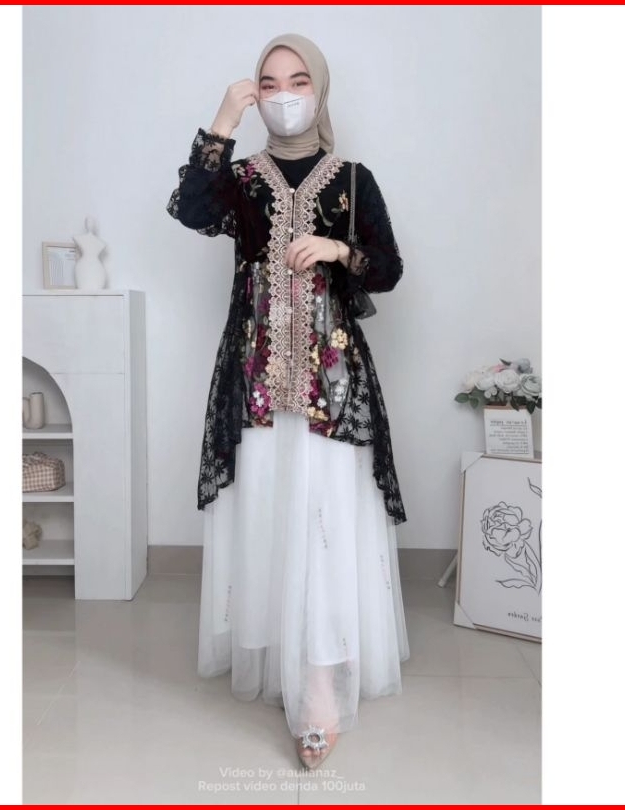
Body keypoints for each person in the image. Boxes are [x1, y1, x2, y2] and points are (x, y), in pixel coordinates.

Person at [167, 33, 409, 770]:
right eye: (268, 84)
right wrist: (223, 118)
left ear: (320, 88)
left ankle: (321, 690)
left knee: (326, 526)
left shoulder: (353, 180)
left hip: (332, 387)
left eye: (298, 81)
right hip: (258, 381)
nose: (283, 95)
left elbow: (389, 268)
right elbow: (188, 207)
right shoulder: (242, 180)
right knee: (274, 518)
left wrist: (338, 251)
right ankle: (287, 662)